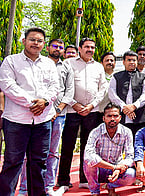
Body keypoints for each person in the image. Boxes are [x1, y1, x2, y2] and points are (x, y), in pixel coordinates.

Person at [0, 27, 60, 196]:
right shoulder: (11, 61)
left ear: (44, 45)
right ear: (24, 41)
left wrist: (45, 101)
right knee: (12, 162)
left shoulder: (49, 64)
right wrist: (32, 104)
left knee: (39, 163)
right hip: (16, 121)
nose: (36, 43)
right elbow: (8, 85)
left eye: (40, 41)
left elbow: (55, 86)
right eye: (32, 39)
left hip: (42, 122)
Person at [17, 38, 74, 195]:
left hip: (58, 116)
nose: (57, 49)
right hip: (37, 114)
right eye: (54, 46)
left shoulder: (67, 67)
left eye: (60, 47)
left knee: (53, 152)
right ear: (47, 48)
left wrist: (58, 110)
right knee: (30, 153)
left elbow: (69, 91)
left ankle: (48, 186)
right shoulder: (38, 64)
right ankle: (24, 188)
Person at [58, 37, 109, 190]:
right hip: (72, 110)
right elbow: (64, 86)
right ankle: (63, 180)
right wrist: (75, 104)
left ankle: (85, 179)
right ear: (79, 49)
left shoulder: (99, 67)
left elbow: (103, 89)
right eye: (86, 47)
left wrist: (92, 105)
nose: (90, 50)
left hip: (92, 111)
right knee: (68, 145)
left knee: (88, 147)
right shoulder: (69, 63)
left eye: (92, 47)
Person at [83, 103, 136, 196]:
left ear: (120, 117)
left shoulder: (127, 132)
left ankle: (110, 186)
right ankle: (95, 191)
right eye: (109, 116)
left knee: (132, 175)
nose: (112, 119)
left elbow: (130, 156)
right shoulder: (95, 132)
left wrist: (119, 168)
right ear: (103, 118)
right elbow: (89, 155)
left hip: (117, 168)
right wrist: (113, 167)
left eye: (115, 116)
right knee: (89, 164)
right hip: (100, 169)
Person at [109, 51, 145, 136]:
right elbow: (112, 93)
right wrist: (124, 107)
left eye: (134, 60)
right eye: (129, 60)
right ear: (123, 62)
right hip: (121, 115)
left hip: (139, 116)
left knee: (138, 142)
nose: (132, 62)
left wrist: (134, 106)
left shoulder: (143, 77)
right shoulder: (116, 77)